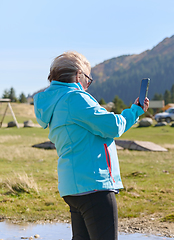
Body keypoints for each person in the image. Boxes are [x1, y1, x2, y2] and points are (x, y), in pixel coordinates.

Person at [34, 51, 149, 240]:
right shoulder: (74, 98)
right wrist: (135, 111)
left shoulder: (54, 102)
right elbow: (112, 126)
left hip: (73, 186)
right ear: (79, 75)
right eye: (88, 79)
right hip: (94, 184)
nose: (87, 85)